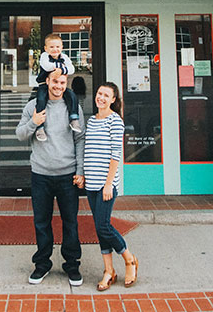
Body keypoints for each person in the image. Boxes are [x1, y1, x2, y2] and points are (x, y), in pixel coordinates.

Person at [15, 72, 85, 286]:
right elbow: (20, 134)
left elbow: (80, 138)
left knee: (71, 222)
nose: (59, 86)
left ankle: (72, 265)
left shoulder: (73, 107)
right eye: (55, 82)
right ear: (47, 82)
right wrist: (34, 123)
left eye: (63, 82)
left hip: (67, 175)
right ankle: (42, 264)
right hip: (41, 174)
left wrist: (80, 170)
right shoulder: (33, 106)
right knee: (41, 222)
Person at [80, 81, 138, 290]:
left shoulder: (115, 121)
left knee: (103, 226)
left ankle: (129, 259)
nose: (101, 98)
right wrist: (84, 175)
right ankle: (108, 271)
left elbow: (115, 156)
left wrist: (108, 185)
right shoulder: (92, 121)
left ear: (114, 99)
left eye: (106, 95)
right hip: (91, 184)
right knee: (99, 228)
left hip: (106, 185)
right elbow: (89, 151)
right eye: (99, 93)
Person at [33, 33, 81, 141]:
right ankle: (40, 127)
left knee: (72, 95)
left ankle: (74, 118)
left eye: (58, 47)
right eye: (51, 47)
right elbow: (47, 66)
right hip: (43, 85)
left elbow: (72, 69)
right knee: (41, 100)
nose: (55, 49)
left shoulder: (64, 57)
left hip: (58, 85)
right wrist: (60, 68)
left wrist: (61, 70)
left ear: (62, 47)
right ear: (46, 48)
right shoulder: (45, 56)